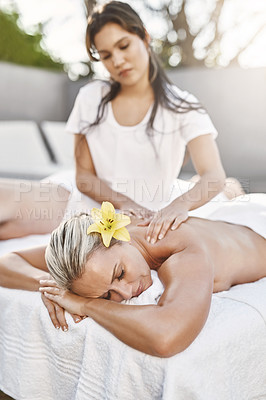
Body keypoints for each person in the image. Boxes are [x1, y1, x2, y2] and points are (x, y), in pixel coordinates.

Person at [0, 1, 244, 242]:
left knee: (224, 190)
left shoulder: (183, 106)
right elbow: (84, 177)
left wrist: (177, 206)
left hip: (143, 211)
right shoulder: (91, 97)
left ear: (145, 37)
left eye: (124, 46)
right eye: (106, 55)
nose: (117, 61)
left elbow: (213, 174)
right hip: (88, 201)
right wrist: (125, 203)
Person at [1, 195, 266, 357]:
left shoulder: (182, 250)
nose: (126, 293)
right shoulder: (91, 247)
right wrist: (53, 289)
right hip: (219, 225)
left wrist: (86, 304)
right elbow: (7, 262)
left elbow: (167, 337)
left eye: (120, 273)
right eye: (108, 295)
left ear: (120, 234)